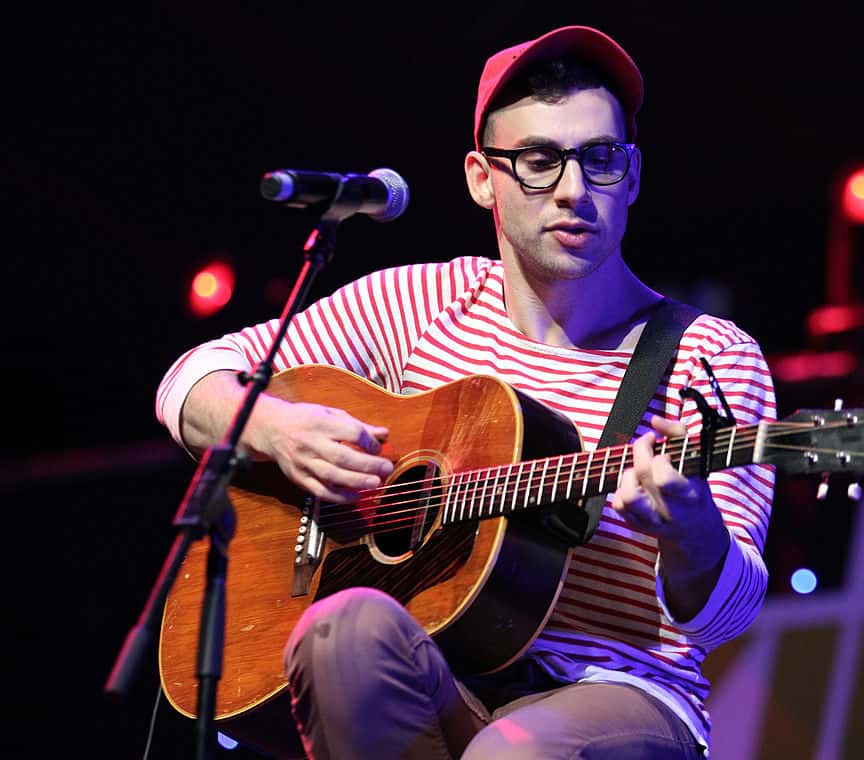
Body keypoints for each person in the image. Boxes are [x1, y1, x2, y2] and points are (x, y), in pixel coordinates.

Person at [156, 25, 775, 759]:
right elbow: (189, 381)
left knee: (509, 753)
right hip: (437, 682)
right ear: (483, 177)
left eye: (600, 160)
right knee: (341, 626)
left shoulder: (707, 354)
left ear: (632, 176)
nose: (574, 191)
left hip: (620, 694)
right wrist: (278, 429)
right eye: (540, 162)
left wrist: (693, 534)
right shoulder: (421, 303)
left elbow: (725, 621)